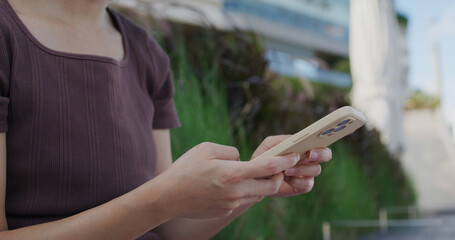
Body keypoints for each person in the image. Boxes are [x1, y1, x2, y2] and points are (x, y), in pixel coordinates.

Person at [0, 0, 332, 239]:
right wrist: (161, 200)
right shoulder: (7, 36)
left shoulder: (147, 53)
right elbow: (158, 206)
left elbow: (168, 228)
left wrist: (256, 178)